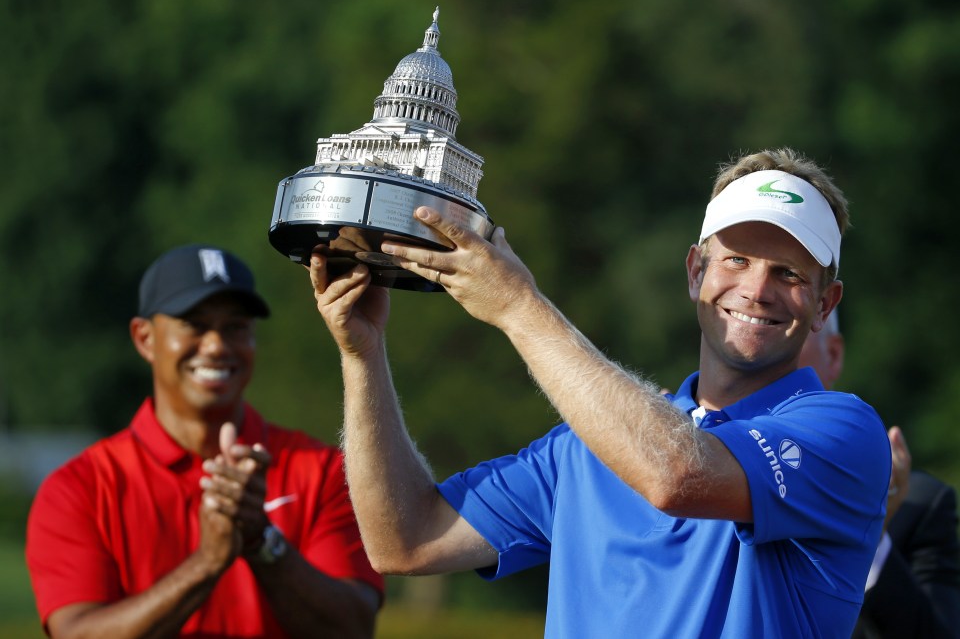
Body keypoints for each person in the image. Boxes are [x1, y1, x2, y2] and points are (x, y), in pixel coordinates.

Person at [309, 147, 892, 637]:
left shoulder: (844, 433)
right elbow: (406, 539)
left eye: (789, 273)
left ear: (825, 305)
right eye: (735, 259)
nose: (757, 288)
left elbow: (676, 476)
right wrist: (363, 357)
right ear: (695, 272)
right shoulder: (589, 444)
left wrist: (518, 306)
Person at [26, 244, 383, 638]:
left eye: (235, 326)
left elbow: (353, 628)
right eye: (194, 324)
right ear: (145, 339)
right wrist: (207, 562)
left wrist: (261, 540)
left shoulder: (322, 471)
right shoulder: (79, 488)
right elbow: (76, 634)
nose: (216, 345)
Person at [799, 312, 960, 638]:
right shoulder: (684, 492)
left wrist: (865, 535)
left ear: (832, 354)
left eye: (788, 332)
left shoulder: (921, 508)